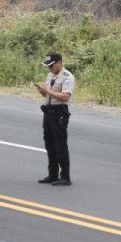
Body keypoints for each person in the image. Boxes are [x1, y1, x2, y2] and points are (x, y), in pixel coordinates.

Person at [36, 52, 75, 186]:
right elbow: (49, 95)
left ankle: (65, 177)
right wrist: (42, 91)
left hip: (59, 113)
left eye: (52, 65)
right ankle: (52, 174)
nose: (50, 68)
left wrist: (48, 91)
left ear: (59, 63)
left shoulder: (67, 77)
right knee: (49, 144)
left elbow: (65, 97)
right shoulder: (51, 75)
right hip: (48, 111)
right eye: (48, 66)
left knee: (60, 146)